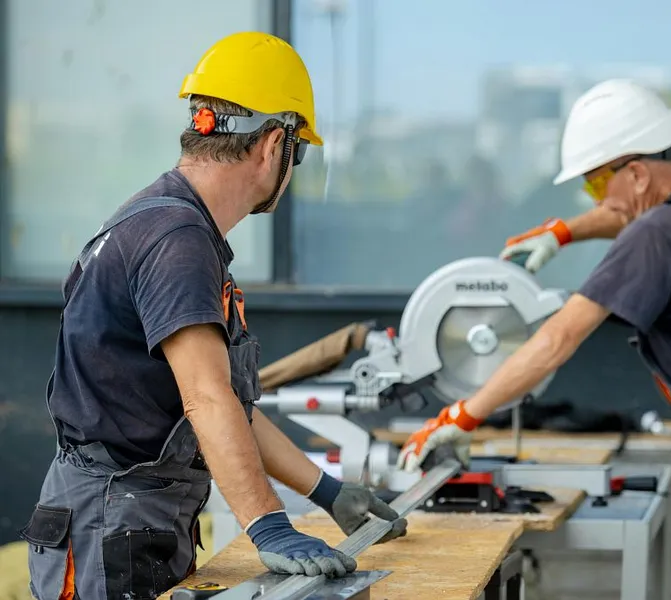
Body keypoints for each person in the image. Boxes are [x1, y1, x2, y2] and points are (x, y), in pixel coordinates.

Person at [21, 32, 406, 600]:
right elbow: (207, 398)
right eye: (297, 155)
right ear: (274, 144)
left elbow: (225, 406)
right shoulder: (177, 239)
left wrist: (326, 491)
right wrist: (269, 524)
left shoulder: (165, 223)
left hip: (129, 519)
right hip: (109, 528)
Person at [397, 78, 671, 598]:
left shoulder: (658, 236)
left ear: (634, 172)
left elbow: (558, 339)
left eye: (593, 184)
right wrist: (564, 232)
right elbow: (629, 215)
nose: (594, 199)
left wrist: (464, 414)